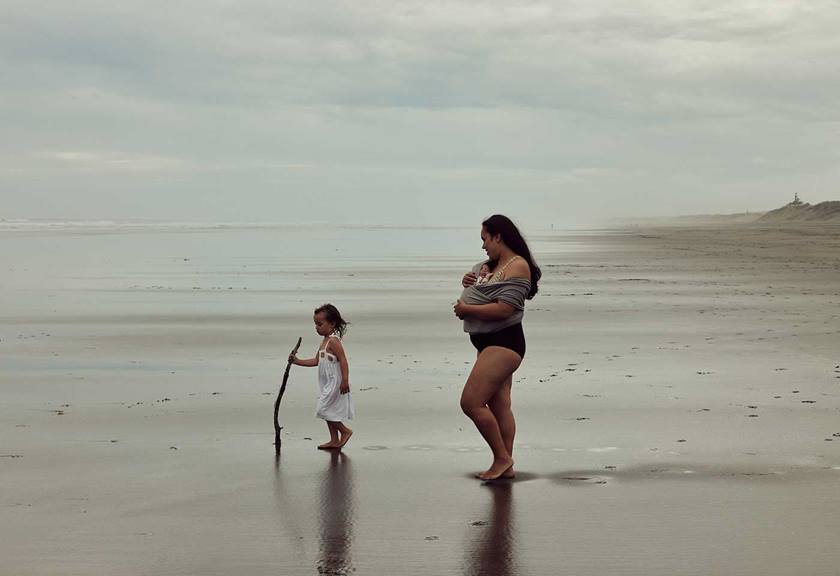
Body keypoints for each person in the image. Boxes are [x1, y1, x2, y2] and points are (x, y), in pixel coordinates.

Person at [454, 215, 541, 480]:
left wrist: (467, 308)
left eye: (484, 239)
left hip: (505, 343)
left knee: (470, 402)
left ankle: (502, 457)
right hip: (488, 343)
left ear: (498, 236)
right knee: (500, 404)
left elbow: (505, 309)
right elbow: (485, 290)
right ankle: (507, 466)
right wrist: (470, 282)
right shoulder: (490, 266)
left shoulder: (518, 266)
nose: (483, 246)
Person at [289, 304, 354, 450]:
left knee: (323, 410)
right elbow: (316, 361)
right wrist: (297, 361)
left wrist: (345, 381)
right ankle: (334, 440)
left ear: (332, 324)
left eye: (320, 324)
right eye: (315, 324)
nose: (316, 327)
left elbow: (343, 360)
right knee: (328, 411)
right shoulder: (324, 342)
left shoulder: (334, 341)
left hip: (335, 382)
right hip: (326, 383)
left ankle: (345, 431)